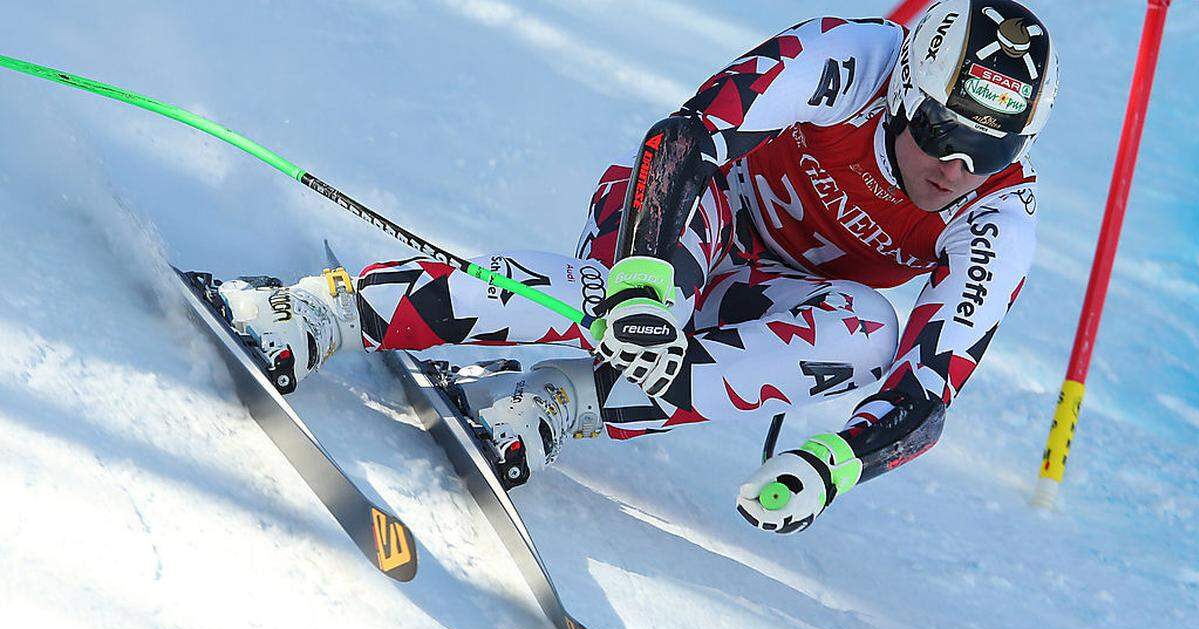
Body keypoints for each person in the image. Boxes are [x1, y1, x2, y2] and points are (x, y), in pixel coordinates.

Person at [217, 0, 1059, 535]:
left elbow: (929, 383)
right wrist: (646, 281)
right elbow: (690, 136)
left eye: (990, 151)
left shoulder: (999, 214)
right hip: (687, 206)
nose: (956, 169)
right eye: (941, 135)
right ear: (905, 93)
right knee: (640, 299)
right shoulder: (852, 58)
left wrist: (833, 463)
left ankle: (565, 399)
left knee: (873, 333)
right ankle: (333, 309)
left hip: (774, 292)